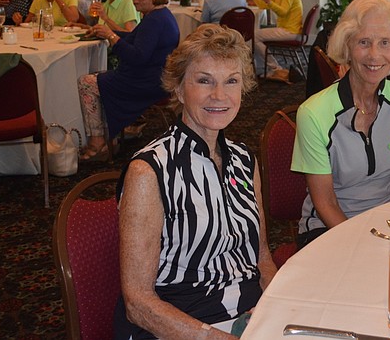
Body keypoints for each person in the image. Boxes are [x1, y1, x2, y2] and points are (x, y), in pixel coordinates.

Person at [115, 24, 276, 339]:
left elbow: (261, 256)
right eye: (204, 81)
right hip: (179, 326)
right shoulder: (150, 171)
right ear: (178, 88)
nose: (219, 95)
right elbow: (138, 303)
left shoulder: (245, 160)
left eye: (231, 81)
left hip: (247, 317)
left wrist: (278, 306)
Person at [292, 0, 390, 247]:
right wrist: (364, 243)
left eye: (385, 42)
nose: (375, 55)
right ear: (347, 47)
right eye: (364, 42)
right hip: (329, 228)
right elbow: (326, 204)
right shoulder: (314, 113)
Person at [77, 0, 179, 159]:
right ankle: (112, 135)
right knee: (96, 78)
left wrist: (111, 37)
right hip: (157, 76)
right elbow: (136, 40)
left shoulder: (154, 20)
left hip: (147, 81)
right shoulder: (162, 15)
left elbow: (137, 57)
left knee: (86, 82)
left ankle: (99, 141)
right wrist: (106, 32)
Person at [249, 0, 303, 78]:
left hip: (290, 31)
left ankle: (274, 68)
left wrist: (267, 0)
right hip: (288, 29)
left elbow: (283, 12)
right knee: (255, 35)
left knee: (253, 36)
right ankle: (266, 67)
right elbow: (264, 6)